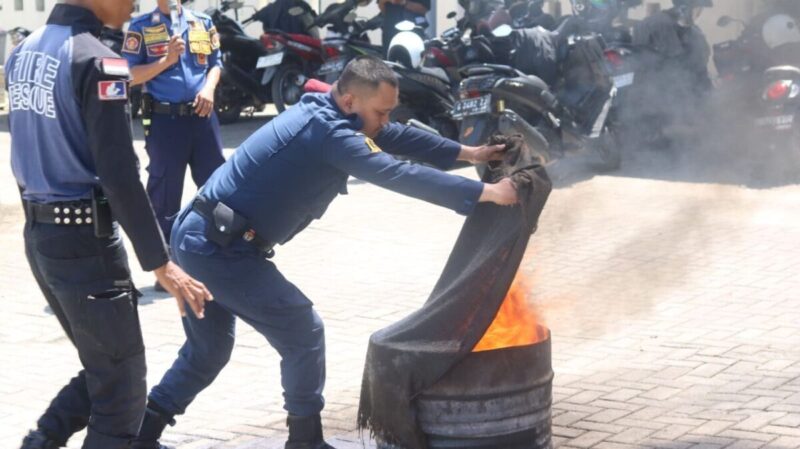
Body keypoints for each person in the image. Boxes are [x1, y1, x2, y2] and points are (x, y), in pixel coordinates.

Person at [131, 56, 518, 449]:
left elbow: (394, 136)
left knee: (207, 351)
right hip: (218, 248)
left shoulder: (331, 111)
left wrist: (471, 154)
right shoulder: (328, 131)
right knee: (302, 330)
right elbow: (396, 172)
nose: (385, 119)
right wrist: (487, 193)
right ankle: (305, 442)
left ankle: (139, 437)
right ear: (350, 100)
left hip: (203, 236)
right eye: (380, 111)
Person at [5, 1, 213, 448]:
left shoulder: (22, 53)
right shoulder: (100, 61)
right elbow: (119, 171)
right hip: (85, 244)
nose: (135, 2)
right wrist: (160, 261)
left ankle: (40, 441)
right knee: (121, 393)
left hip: (42, 236)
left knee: (106, 366)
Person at [122, 0, 226, 290]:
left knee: (217, 187)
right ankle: (169, 267)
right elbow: (128, 75)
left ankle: (219, 254)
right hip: (165, 120)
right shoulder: (142, 26)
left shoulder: (202, 22)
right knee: (164, 192)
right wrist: (166, 61)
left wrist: (208, 88)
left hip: (202, 116)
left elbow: (216, 63)